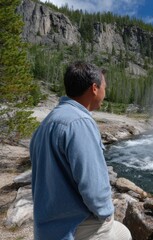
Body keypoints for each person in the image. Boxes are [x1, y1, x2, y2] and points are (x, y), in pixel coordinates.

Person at [30, 61, 132, 240]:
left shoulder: (46, 123)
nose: (105, 94)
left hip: (48, 226)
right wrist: (106, 214)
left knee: (124, 233)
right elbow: (92, 186)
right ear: (94, 88)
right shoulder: (80, 122)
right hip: (77, 227)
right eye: (104, 88)